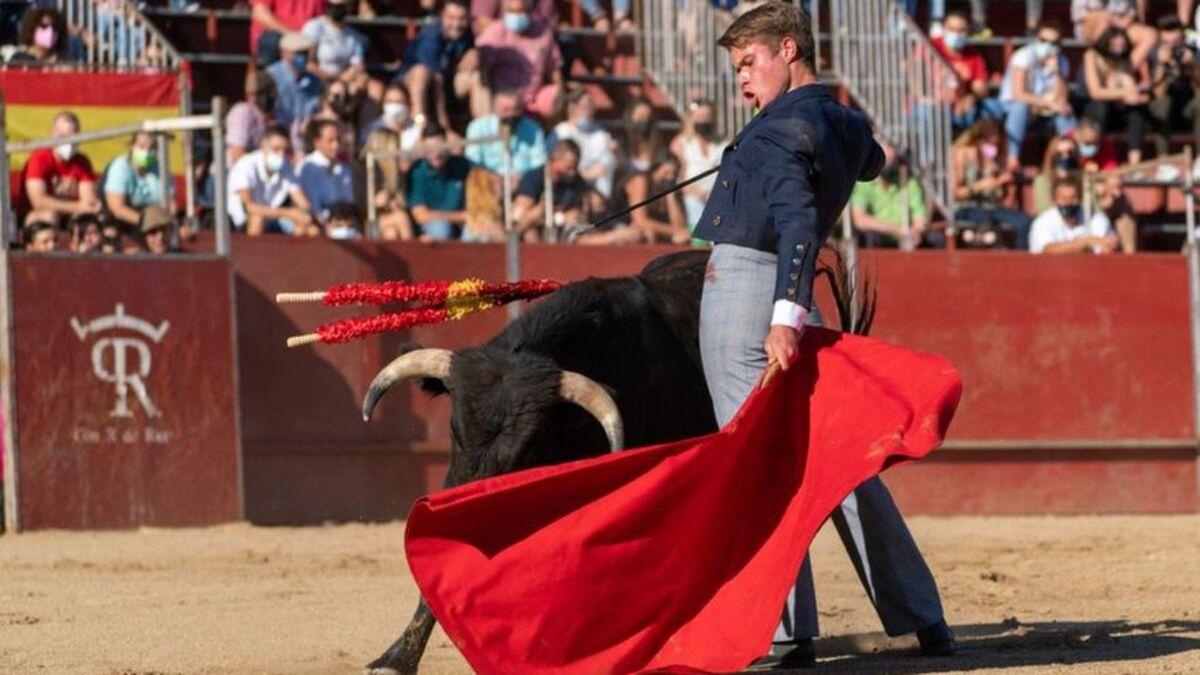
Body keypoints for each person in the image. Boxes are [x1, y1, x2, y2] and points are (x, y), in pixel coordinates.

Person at [694, 5, 955, 668]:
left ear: (789, 49)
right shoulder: (841, 119)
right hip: (789, 292)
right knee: (841, 460)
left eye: (749, 64)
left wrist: (784, 316)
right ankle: (922, 613)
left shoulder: (775, 130)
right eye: (738, 71)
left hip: (750, 292)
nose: (743, 83)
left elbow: (799, 218)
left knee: (756, 459)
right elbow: (872, 161)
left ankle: (787, 631)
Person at [999, 18, 1077, 167]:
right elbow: (1019, 94)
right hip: (1015, 110)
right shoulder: (1023, 56)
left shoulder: (1062, 62)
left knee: (1065, 113)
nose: (1048, 46)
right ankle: (1012, 156)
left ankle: (1067, 164)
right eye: (1044, 40)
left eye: (1053, 43)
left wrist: (1056, 72)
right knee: (1019, 107)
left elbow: (1062, 99)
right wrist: (1048, 103)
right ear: (1036, 38)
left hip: (1044, 112)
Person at [952, 119, 1032, 248]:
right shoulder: (963, 154)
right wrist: (982, 185)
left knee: (1025, 222)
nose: (994, 147)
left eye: (996, 144)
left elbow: (1000, 195)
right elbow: (955, 193)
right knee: (985, 223)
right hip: (968, 207)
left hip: (992, 207)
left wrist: (1002, 180)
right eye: (990, 143)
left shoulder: (997, 158)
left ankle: (1021, 260)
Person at [474, 0, 563, 118]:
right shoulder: (495, 32)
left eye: (521, 11)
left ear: (530, 12)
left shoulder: (543, 32)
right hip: (503, 96)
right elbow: (482, 65)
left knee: (556, 95)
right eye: (512, 11)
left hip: (534, 96)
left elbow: (554, 67)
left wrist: (560, 88)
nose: (517, 15)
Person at [399, 0, 476, 132]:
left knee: (476, 77)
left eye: (462, 19)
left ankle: (486, 131)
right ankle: (418, 127)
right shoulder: (431, 36)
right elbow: (437, 81)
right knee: (421, 72)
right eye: (451, 18)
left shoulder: (469, 33)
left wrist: (477, 52)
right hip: (415, 85)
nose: (456, 24)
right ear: (442, 16)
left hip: (448, 83)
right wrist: (445, 127)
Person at [227, 125, 316, 235]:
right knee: (257, 219)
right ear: (263, 146)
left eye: (285, 150)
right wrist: (288, 213)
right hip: (241, 222)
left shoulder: (286, 167)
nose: (281, 155)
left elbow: (301, 200)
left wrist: (307, 214)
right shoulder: (246, 165)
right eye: (276, 149)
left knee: (309, 227)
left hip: (274, 218)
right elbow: (249, 207)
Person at [1082, 26, 1151, 165]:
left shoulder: (1126, 59)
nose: (1118, 48)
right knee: (1100, 108)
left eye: (1122, 45)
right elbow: (1095, 92)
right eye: (1114, 44)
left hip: (1120, 108)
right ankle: (1093, 158)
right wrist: (1125, 93)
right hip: (1097, 107)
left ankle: (1134, 161)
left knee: (1136, 113)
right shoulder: (1092, 56)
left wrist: (1135, 96)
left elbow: (1133, 87)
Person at [18, 112, 100, 226]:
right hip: (35, 216)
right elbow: (38, 202)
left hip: (69, 216)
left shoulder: (82, 161)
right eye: (63, 137)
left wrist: (82, 208)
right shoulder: (39, 158)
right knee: (49, 216)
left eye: (73, 138)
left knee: (89, 219)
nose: (69, 142)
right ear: (53, 134)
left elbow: (89, 201)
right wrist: (77, 206)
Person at [513, 139, 602, 241]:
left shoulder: (576, 182)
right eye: (568, 168)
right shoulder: (532, 179)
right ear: (552, 160)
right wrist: (553, 216)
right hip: (538, 233)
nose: (572, 173)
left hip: (563, 233)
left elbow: (581, 212)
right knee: (529, 232)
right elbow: (520, 222)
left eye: (575, 168)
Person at [930, 11, 1004, 132]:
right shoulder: (930, 46)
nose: (957, 34)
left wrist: (971, 98)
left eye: (962, 30)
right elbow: (911, 71)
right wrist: (924, 96)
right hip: (934, 104)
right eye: (952, 29)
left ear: (968, 31)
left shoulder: (974, 55)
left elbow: (980, 87)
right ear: (944, 28)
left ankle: (985, 148)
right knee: (933, 112)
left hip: (961, 105)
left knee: (993, 107)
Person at [850, 144, 934, 248]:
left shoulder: (910, 183)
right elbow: (859, 219)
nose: (888, 164)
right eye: (884, 160)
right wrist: (898, 229)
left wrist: (915, 232)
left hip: (906, 240)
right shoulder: (864, 183)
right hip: (877, 239)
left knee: (935, 239)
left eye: (891, 160)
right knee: (868, 237)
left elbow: (920, 222)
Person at [408, 124, 474, 241]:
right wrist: (462, 216)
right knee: (441, 228)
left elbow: (487, 178)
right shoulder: (417, 171)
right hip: (434, 228)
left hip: (463, 226)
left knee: (479, 230)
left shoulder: (462, 165)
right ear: (423, 148)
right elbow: (421, 216)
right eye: (430, 148)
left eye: (440, 147)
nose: (436, 153)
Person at [464, 89, 546, 182]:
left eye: (515, 109)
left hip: (523, 182)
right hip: (489, 182)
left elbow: (539, 162)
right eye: (505, 110)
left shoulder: (533, 129)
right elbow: (473, 162)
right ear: (494, 108)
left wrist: (522, 178)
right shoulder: (478, 127)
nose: (510, 114)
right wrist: (494, 178)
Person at [1147, 16, 1200, 158]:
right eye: (1166, 42)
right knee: (1163, 103)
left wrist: (1192, 66)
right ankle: (1163, 158)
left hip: (1187, 110)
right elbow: (1157, 93)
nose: (1171, 47)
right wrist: (1161, 65)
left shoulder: (1192, 53)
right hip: (1164, 112)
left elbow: (1198, 91)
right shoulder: (1154, 55)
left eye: (1175, 43)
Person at [550, 87, 618, 198]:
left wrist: (616, 153)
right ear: (572, 107)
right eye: (586, 106)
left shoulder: (601, 133)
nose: (590, 111)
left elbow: (613, 162)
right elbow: (553, 164)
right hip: (570, 188)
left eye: (592, 107)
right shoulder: (561, 132)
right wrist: (584, 176)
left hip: (600, 191)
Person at [670, 99, 727, 229]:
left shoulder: (723, 143)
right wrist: (699, 194)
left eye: (707, 117)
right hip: (692, 199)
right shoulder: (681, 143)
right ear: (691, 119)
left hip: (719, 199)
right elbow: (678, 179)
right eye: (700, 117)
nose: (703, 121)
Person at [1029, 178, 1119, 254]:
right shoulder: (1043, 222)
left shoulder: (1096, 218)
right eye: (1063, 199)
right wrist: (1085, 242)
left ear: (1080, 198)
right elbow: (1048, 250)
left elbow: (1105, 248)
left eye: (1073, 198)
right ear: (1054, 200)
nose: (1068, 203)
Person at [266, 31, 324, 147]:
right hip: (278, 132)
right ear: (284, 53)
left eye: (305, 53)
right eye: (298, 53)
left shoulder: (313, 80)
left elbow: (313, 106)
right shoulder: (271, 75)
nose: (302, 57)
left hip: (303, 134)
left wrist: (308, 120)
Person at [103, 132, 168, 229]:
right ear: (133, 145)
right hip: (123, 225)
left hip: (156, 222)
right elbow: (117, 209)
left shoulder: (160, 168)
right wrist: (148, 222)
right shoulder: (120, 167)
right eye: (141, 147)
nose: (146, 152)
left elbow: (171, 202)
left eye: (152, 148)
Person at [297, 119, 355, 225]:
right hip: (320, 223)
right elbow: (313, 203)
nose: (336, 145)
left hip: (345, 222)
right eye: (330, 141)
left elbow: (349, 198)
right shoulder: (307, 168)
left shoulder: (344, 168)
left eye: (338, 140)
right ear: (317, 142)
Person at [1071, 0, 1156, 67]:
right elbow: (1077, 14)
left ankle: (1124, 71)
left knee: (1150, 34)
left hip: (1118, 26)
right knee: (1103, 23)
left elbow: (1131, 13)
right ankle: (1108, 66)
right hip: (1090, 27)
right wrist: (1106, 16)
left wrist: (1124, 22)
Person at [300, 0, 365, 83]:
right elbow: (309, 64)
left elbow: (357, 64)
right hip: (317, 81)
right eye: (332, 6)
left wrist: (349, 75)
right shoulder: (314, 27)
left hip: (346, 81)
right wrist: (335, 79)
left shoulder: (353, 35)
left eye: (341, 6)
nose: (336, 10)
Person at [251, 0, 326, 65]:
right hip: (278, 34)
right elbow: (260, 14)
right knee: (271, 40)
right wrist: (292, 35)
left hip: (309, 35)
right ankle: (269, 78)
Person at [226, 75, 276, 166]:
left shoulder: (272, 117)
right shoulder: (242, 112)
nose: (272, 96)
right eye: (267, 93)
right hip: (232, 173)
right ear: (251, 96)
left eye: (273, 92)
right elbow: (237, 153)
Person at [1032, 135, 1083, 213]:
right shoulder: (1043, 181)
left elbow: (1092, 207)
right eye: (1060, 154)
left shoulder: (1083, 179)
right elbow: (1044, 209)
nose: (1066, 157)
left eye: (1070, 152)